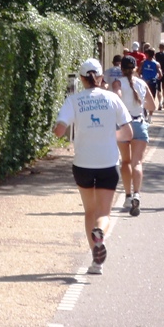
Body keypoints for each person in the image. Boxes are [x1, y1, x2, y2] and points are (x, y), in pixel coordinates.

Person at [53, 58, 133, 274]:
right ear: (100, 77)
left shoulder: (74, 100)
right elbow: (128, 133)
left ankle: (96, 262)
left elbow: (59, 131)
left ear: (81, 79)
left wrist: (58, 125)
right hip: (108, 163)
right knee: (104, 213)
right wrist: (109, 135)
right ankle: (100, 233)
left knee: (89, 211)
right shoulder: (112, 98)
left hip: (83, 164)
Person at [114, 55, 157, 217]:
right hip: (139, 124)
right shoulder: (142, 84)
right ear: (136, 67)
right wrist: (140, 104)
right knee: (137, 162)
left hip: (124, 125)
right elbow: (153, 105)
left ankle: (127, 195)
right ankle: (137, 193)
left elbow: (117, 96)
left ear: (121, 69)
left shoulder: (118, 83)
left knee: (125, 161)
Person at [139, 48, 161, 118]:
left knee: (143, 97)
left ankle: (144, 111)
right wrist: (157, 78)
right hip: (152, 83)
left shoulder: (143, 62)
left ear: (147, 54)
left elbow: (138, 72)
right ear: (154, 54)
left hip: (144, 83)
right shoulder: (156, 64)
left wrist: (141, 77)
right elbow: (160, 74)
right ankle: (150, 116)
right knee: (152, 98)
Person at [154, 42, 164, 109]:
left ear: (159, 47)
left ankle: (160, 103)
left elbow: (154, 62)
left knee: (158, 89)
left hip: (158, 73)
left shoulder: (156, 55)